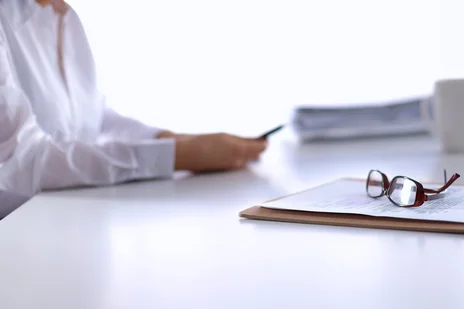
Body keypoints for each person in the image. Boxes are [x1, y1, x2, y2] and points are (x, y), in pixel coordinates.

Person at [0, 0, 267, 216]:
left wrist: (169, 138)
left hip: (69, 222)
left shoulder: (63, 16)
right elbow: (23, 162)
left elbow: (92, 116)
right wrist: (179, 155)